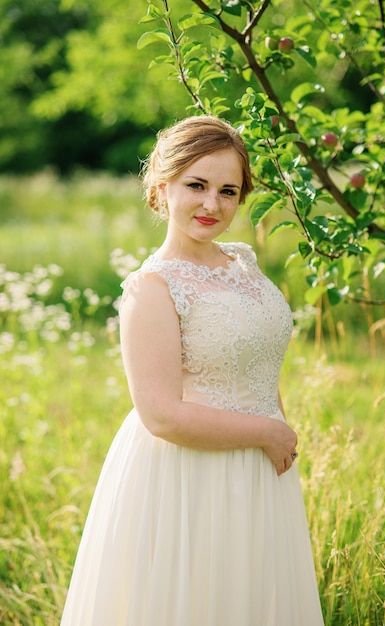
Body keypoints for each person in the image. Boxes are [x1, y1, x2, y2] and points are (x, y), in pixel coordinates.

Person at [60, 115, 324, 625]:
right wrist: (270, 432)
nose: (212, 205)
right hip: (187, 476)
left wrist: (275, 433)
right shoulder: (151, 287)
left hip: (257, 475)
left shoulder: (244, 262)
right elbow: (161, 415)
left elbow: (260, 358)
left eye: (228, 191)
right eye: (196, 185)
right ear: (163, 185)